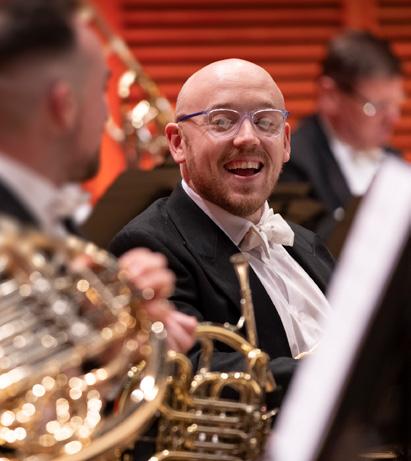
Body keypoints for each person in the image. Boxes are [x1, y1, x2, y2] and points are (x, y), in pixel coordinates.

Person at [110, 58, 335, 392]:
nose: (248, 138)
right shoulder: (149, 245)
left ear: (286, 142)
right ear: (178, 143)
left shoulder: (306, 244)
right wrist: (340, 377)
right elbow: (193, 373)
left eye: (265, 122)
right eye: (222, 122)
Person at [0, 0, 196, 353]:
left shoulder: (49, 221)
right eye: (100, 92)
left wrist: (115, 332)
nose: (107, 116)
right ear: (64, 107)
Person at [280, 30, 405, 241]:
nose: (393, 119)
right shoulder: (290, 161)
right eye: (376, 106)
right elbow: (303, 247)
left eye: (396, 104)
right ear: (330, 95)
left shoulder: (394, 161)